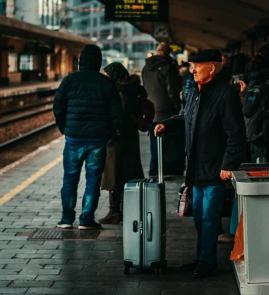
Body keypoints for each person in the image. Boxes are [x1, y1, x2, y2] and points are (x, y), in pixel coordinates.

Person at [155, 49, 246, 278]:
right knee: (197, 214)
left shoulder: (226, 94)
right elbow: (186, 118)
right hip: (195, 167)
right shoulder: (195, 92)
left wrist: (229, 164)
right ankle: (201, 258)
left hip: (215, 167)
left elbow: (236, 133)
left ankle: (207, 261)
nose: (193, 69)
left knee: (209, 216)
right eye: (193, 65)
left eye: (197, 65)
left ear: (212, 68)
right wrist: (167, 125)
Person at [53, 44, 123, 230]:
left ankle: (66, 219)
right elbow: (116, 112)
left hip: (74, 138)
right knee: (93, 179)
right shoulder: (105, 83)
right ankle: (86, 219)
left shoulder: (69, 80)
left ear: (80, 62)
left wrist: (65, 129)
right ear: (98, 63)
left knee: (70, 179)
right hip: (97, 140)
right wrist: (108, 131)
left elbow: (58, 107)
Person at [99, 63, 146, 224]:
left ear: (114, 76)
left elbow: (121, 114)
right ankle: (123, 210)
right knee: (124, 173)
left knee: (114, 174)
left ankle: (115, 211)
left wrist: (112, 129)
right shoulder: (131, 89)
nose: (104, 79)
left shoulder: (122, 92)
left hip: (118, 138)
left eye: (106, 76)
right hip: (128, 136)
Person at [142, 42, 182, 177]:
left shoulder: (146, 68)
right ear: (168, 52)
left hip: (150, 109)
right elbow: (172, 91)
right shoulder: (168, 67)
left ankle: (156, 170)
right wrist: (177, 107)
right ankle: (155, 171)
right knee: (163, 143)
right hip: (165, 110)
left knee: (154, 141)